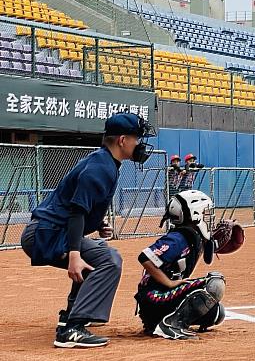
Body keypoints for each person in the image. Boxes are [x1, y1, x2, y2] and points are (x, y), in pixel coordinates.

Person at [19, 112, 156, 348]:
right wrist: (74, 254)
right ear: (123, 140)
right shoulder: (100, 168)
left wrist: (97, 223)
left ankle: (71, 316)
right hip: (45, 235)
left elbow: (79, 207)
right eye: (136, 138)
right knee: (109, 259)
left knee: (99, 253)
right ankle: (73, 328)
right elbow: (76, 212)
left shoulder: (104, 162)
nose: (140, 144)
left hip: (50, 231)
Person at [135, 190, 227, 340]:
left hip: (160, 299)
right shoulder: (178, 238)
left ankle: (162, 322)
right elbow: (145, 257)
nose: (207, 216)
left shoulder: (190, 236)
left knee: (216, 313)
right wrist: (169, 283)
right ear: (195, 213)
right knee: (215, 283)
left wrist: (216, 243)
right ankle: (172, 325)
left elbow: (207, 254)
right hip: (155, 297)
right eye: (204, 212)